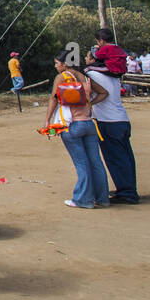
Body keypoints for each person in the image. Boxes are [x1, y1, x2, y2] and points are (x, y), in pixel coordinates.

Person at [44, 57, 109, 209]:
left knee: (81, 163)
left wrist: (47, 121)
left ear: (65, 64)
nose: (56, 66)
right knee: (96, 162)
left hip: (72, 125)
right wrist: (89, 104)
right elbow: (103, 93)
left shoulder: (62, 77)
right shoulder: (86, 78)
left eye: (57, 63)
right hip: (88, 123)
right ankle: (102, 198)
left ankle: (83, 199)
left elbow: (54, 99)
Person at [85, 54, 139, 204]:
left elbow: (94, 92)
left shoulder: (90, 74)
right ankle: (128, 189)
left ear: (93, 60)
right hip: (121, 119)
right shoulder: (113, 75)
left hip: (107, 121)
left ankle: (127, 194)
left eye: (87, 56)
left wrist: (90, 104)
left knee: (115, 159)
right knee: (126, 158)